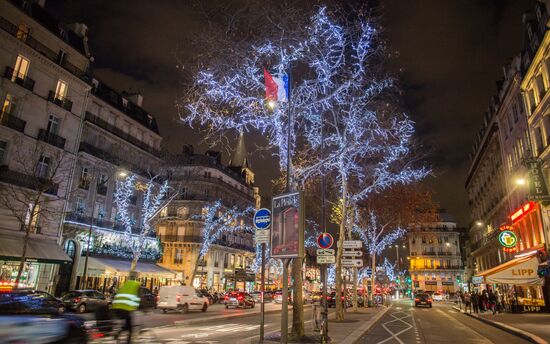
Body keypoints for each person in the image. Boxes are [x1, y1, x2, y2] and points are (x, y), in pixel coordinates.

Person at [111, 278, 141, 343]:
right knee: (130, 329)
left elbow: (115, 298)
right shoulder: (134, 291)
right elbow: (136, 303)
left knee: (126, 325)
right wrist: (140, 308)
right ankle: (128, 342)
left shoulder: (123, 289)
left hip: (116, 310)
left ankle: (118, 333)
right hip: (125, 310)